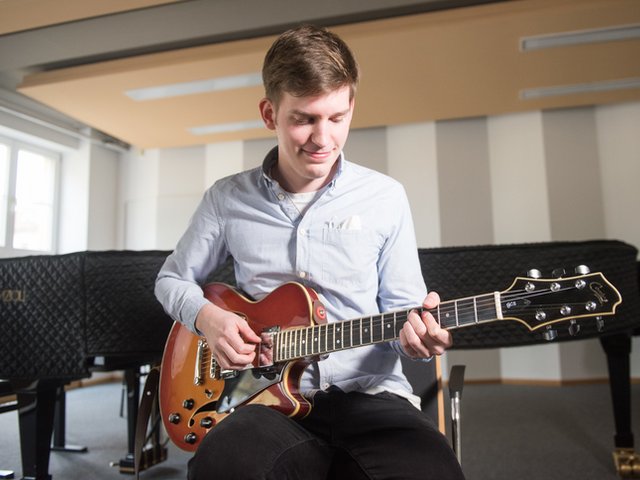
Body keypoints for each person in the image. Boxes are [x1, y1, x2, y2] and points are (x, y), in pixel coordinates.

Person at [155, 24, 464, 480]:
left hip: (372, 396)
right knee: (223, 467)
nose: (323, 138)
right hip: (266, 401)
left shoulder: (386, 197)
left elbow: (405, 313)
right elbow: (170, 280)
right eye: (304, 119)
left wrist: (422, 341)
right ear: (269, 113)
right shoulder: (226, 198)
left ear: (351, 107)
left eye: (337, 118)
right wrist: (209, 319)